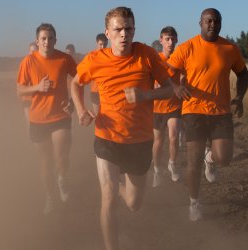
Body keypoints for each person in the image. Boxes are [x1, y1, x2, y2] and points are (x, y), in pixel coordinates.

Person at [70, 7, 188, 250]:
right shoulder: (95, 59)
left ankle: (121, 185)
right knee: (109, 198)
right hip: (107, 137)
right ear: (107, 32)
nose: (124, 34)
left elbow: (169, 89)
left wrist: (145, 94)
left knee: (134, 204)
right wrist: (81, 110)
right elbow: (75, 83)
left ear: (134, 30)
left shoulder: (146, 55)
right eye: (118, 29)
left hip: (139, 140)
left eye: (129, 29)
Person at [167, 8, 248, 221]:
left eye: (217, 21)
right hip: (193, 110)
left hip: (221, 111)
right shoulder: (186, 48)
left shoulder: (230, 48)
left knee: (225, 158)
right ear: (200, 23)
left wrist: (239, 97)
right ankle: (194, 202)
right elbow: (166, 73)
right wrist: (176, 88)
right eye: (208, 20)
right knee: (193, 161)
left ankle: (210, 157)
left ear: (221, 23)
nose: (212, 24)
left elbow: (243, 74)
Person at [17, 23, 77, 215]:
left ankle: (62, 179)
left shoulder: (64, 59)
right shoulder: (28, 61)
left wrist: (73, 103)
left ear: (55, 40)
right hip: (37, 119)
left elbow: (79, 81)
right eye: (43, 38)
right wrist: (37, 88)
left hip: (60, 116)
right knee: (45, 163)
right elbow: (20, 90)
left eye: (50, 38)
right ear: (37, 41)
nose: (47, 42)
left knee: (61, 158)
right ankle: (49, 197)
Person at [151, 26, 182, 187]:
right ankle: (157, 169)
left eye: (172, 39)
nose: (170, 42)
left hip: (174, 105)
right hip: (157, 107)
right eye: (167, 39)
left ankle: (173, 163)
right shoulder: (156, 59)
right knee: (158, 141)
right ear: (161, 40)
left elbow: (187, 76)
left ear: (177, 40)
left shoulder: (180, 58)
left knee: (174, 135)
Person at [90, 33, 108, 114]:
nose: (103, 47)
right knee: (97, 115)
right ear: (97, 43)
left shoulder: (110, 56)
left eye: (105, 44)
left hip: (106, 91)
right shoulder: (91, 57)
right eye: (101, 44)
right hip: (95, 91)